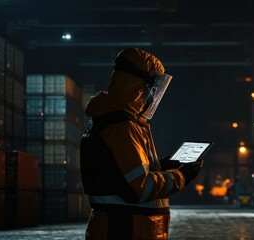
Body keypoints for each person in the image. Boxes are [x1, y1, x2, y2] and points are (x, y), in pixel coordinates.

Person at [80, 48, 203, 240]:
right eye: (152, 88)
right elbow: (140, 187)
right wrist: (182, 175)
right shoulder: (122, 126)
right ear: (140, 87)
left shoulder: (116, 120)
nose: (153, 96)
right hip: (126, 228)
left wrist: (163, 165)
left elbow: (123, 173)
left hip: (122, 226)